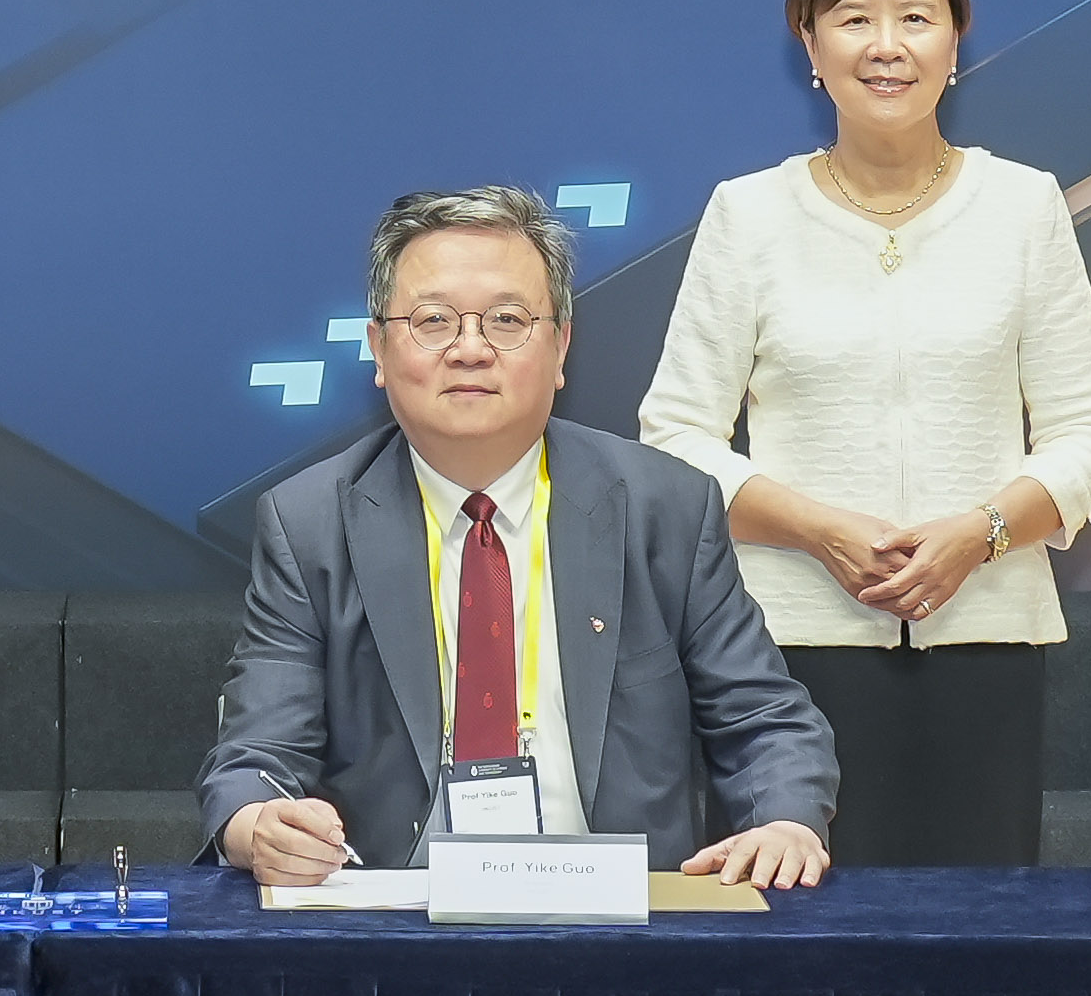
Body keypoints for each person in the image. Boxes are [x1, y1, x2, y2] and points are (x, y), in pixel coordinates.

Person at [634, 0, 1091, 865]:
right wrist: (822, 529)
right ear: (808, 42)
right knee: (788, 944)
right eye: (855, 18)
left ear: (956, 38)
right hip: (782, 653)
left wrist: (977, 536)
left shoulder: (1024, 205)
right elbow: (677, 436)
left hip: (985, 635)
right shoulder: (749, 214)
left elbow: (1086, 430)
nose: (887, 46)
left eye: (916, 17)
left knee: (974, 952)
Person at [200, 183, 838, 889]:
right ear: (378, 348)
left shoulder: (665, 506)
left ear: (562, 345)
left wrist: (785, 820)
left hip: (621, 920)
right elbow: (255, 757)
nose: (471, 350)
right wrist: (259, 825)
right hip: (397, 920)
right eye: (433, 321)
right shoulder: (310, 522)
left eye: (507, 320)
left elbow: (766, 721)